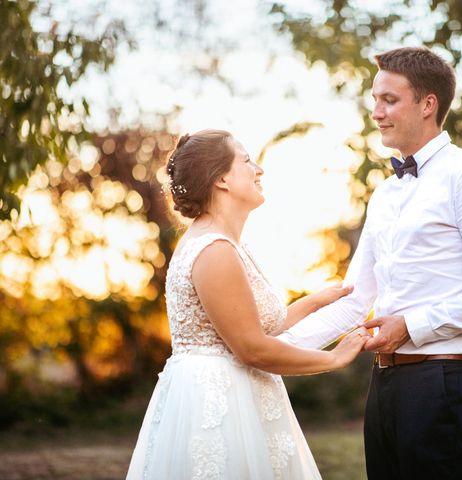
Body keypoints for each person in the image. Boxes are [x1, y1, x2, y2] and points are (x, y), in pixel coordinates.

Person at [277, 46, 462, 479]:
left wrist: (411, 325)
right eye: (375, 100)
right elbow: (354, 301)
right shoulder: (385, 194)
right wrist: (272, 349)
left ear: (428, 104)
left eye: (388, 100)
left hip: (448, 382)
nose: (376, 112)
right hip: (386, 384)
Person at [126, 129, 371, 480]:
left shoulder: (227, 244)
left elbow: (259, 325)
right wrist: (334, 357)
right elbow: (252, 348)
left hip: (238, 396)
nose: (259, 169)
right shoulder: (214, 250)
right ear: (222, 179)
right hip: (218, 406)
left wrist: (315, 301)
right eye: (246, 160)